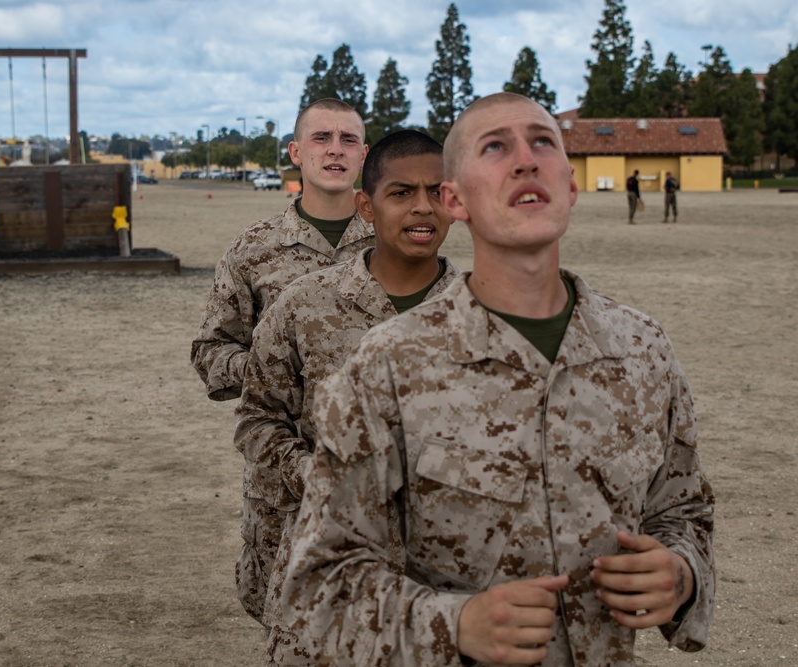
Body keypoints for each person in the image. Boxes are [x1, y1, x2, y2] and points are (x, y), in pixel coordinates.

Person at [281, 93, 715, 666]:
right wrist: (454, 624)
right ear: (454, 199)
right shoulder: (388, 365)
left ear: (571, 184)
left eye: (543, 142)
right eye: (495, 147)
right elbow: (319, 588)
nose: (525, 160)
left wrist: (680, 574)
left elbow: (684, 514)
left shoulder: (641, 349)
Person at [235, 129, 460, 664]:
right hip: (328, 572)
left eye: (436, 192)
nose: (421, 208)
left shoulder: (484, 315)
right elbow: (257, 420)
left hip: (449, 581)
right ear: (366, 206)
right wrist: (313, 474)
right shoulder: (304, 306)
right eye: (401, 193)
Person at [190, 98, 374, 623]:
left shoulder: (395, 244)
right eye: (321, 138)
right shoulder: (254, 250)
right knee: (282, 614)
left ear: (364, 155)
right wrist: (270, 373)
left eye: (348, 140)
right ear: (295, 152)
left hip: (378, 474)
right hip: (284, 475)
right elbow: (211, 351)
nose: (335, 150)